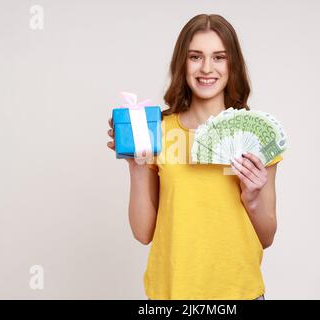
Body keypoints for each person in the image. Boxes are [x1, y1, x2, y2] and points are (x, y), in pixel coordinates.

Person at [107, 14, 283, 300]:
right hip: (172, 294)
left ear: (232, 64)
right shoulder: (158, 131)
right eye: (195, 56)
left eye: (219, 57)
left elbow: (267, 237)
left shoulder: (258, 136)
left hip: (239, 293)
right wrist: (136, 164)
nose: (206, 68)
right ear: (182, 63)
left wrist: (252, 198)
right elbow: (143, 233)